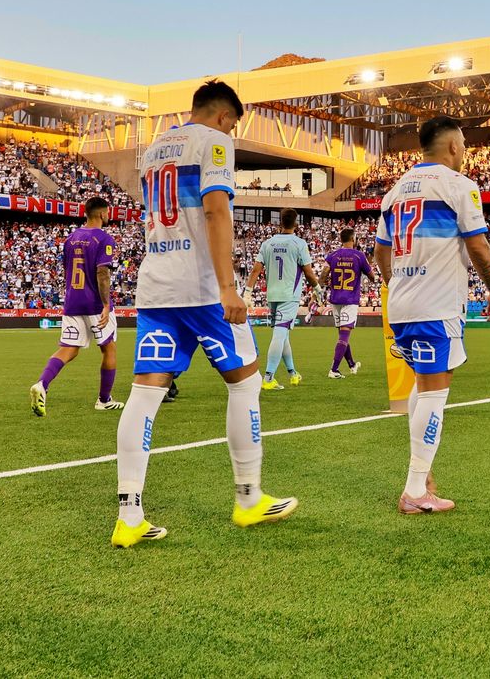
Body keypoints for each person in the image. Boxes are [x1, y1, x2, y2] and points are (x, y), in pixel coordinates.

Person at [110, 81, 296, 548]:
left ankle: (128, 514)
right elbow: (215, 210)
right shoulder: (214, 142)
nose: (231, 130)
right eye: (232, 122)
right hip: (202, 289)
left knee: (145, 395)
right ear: (221, 116)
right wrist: (229, 286)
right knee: (246, 383)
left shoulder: (155, 150)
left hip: (156, 286)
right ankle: (249, 496)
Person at [373, 116, 490, 514]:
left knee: (422, 386)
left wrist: (399, 283)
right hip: (436, 306)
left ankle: (422, 478)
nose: (464, 153)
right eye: (463, 145)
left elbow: (381, 253)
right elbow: (478, 247)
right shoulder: (459, 186)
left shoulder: (394, 192)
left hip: (401, 306)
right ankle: (415, 490)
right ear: (451, 146)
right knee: (435, 393)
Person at [30, 197, 124, 415]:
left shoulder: (70, 239)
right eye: (107, 213)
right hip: (94, 303)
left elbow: (68, 270)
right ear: (102, 214)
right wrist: (105, 304)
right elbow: (102, 273)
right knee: (108, 348)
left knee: (69, 349)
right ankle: (104, 399)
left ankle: (42, 384)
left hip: (73, 301)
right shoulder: (104, 239)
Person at [243, 208, 321, 390]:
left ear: (280, 223)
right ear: (296, 224)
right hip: (289, 295)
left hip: (273, 295)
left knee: (283, 334)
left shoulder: (267, 243)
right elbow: (308, 272)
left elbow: (255, 269)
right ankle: (268, 378)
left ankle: (293, 373)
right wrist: (317, 288)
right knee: (280, 334)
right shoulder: (299, 243)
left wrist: (247, 291)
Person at [321, 227, 373, 378]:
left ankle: (352, 364)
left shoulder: (333, 255)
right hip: (350, 299)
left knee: (342, 335)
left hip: (335, 299)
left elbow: (324, 274)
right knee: (344, 335)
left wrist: (319, 288)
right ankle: (334, 370)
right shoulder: (359, 256)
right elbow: (372, 277)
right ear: (353, 239)